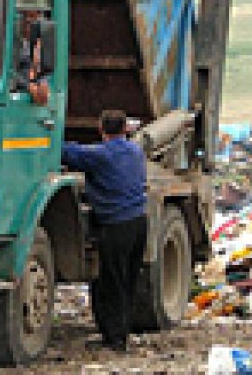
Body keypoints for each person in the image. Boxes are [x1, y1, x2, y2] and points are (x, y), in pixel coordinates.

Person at [61, 110, 147, 351]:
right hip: (139, 222)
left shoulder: (100, 155)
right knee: (127, 280)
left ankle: (115, 338)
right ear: (125, 129)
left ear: (101, 129)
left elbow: (67, 152)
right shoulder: (135, 151)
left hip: (116, 225)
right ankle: (122, 332)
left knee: (111, 282)